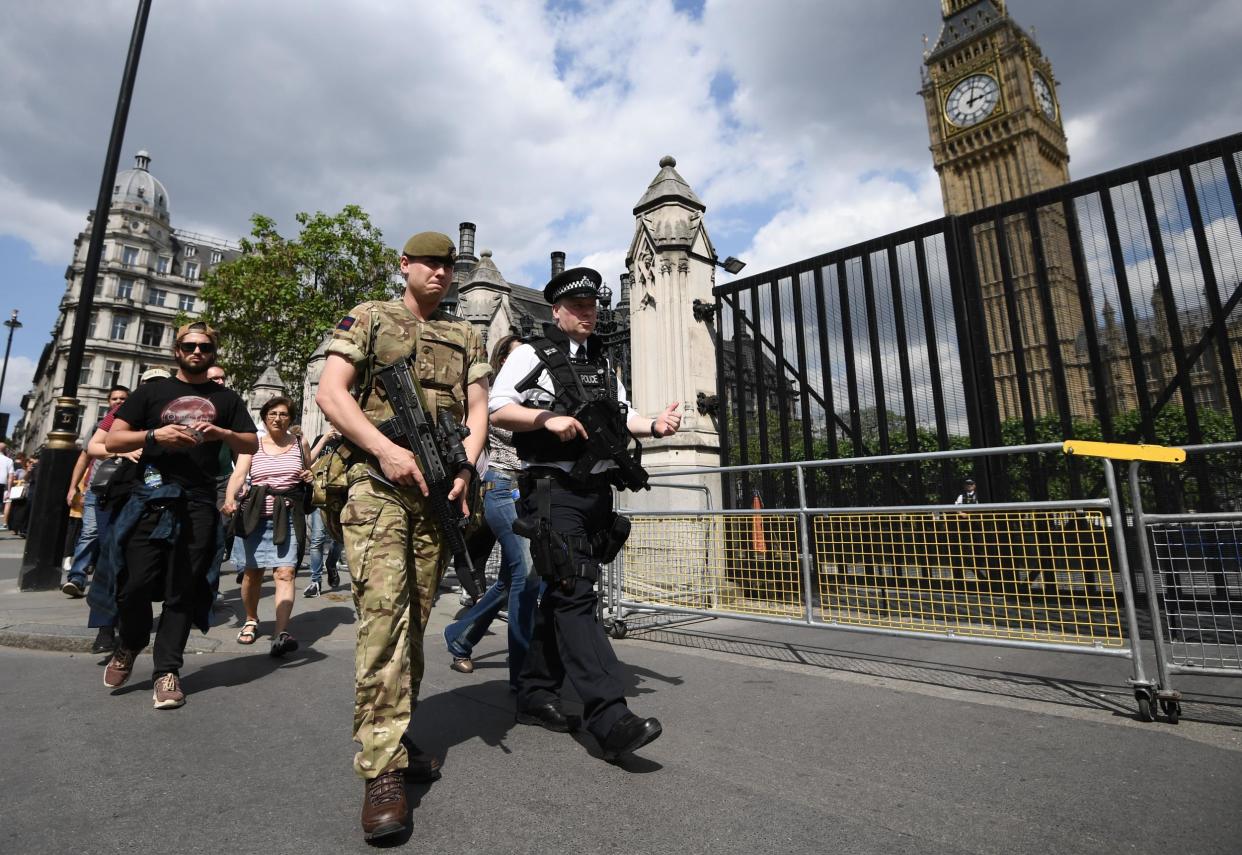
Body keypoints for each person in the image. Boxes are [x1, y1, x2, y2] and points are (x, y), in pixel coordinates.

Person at [316, 231, 489, 842]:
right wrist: (386, 450)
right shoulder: (368, 318)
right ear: (406, 266)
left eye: (449, 266)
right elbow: (331, 393)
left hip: (436, 493)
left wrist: (465, 467)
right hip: (375, 484)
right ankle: (381, 770)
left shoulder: (467, 335)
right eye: (431, 264)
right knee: (385, 615)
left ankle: (394, 727)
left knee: (412, 620)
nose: (441, 274)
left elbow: (477, 413)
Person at [490, 266, 681, 762]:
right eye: (578, 307)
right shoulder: (533, 353)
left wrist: (655, 426)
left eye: (593, 306)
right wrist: (547, 418)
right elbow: (497, 408)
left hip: (596, 489)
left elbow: (624, 414)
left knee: (562, 595)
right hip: (553, 490)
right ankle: (609, 717)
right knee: (576, 592)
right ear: (556, 311)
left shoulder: (601, 363)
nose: (589, 313)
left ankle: (534, 692)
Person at [95, 322, 258, 710]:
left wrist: (222, 433)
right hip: (149, 497)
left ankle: (167, 671)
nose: (197, 352)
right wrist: (156, 436)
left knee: (182, 590)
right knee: (134, 584)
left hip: (199, 501)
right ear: (176, 351)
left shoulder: (227, 399)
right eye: (190, 346)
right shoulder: (150, 393)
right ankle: (131, 642)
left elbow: (251, 441)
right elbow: (113, 440)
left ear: (214, 352)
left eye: (205, 346)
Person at [443, 334, 540, 686]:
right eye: (518, 357)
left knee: (513, 578)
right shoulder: (497, 401)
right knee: (528, 575)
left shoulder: (537, 397)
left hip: (534, 491)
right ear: (503, 363)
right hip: (502, 489)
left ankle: (460, 636)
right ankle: (525, 676)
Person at [224, 395, 311, 656]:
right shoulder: (253, 445)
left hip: (288, 516)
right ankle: (251, 619)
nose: (278, 418)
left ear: (290, 418)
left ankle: (280, 633)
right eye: (272, 414)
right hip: (255, 516)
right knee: (253, 573)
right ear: (264, 417)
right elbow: (239, 475)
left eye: (284, 414)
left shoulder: (299, 442)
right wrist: (229, 498)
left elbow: (310, 471)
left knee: (286, 573)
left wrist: (309, 475)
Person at [61, 385, 131, 599]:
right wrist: (74, 487)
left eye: (122, 398)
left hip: (122, 490)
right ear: (108, 401)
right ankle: (77, 577)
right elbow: (84, 457)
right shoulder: (99, 426)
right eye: (114, 398)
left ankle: (108, 580)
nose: (118, 402)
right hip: (97, 488)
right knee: (89, 532)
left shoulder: (132, 424)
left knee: (113, 537)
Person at [303, 428, 343, 598]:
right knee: (317, 539)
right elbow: (309, 461)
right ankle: (315, 581)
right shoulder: (322, 438)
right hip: (320, 494)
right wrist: (324, 439)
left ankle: (332, 563)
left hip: (341, 496)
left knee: (339, 538)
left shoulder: (350, 439)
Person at [0, 442, 13, 529]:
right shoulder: (9, 460)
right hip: (1, 484)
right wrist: (9, 491)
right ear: (5, 450)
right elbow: (11, 477)